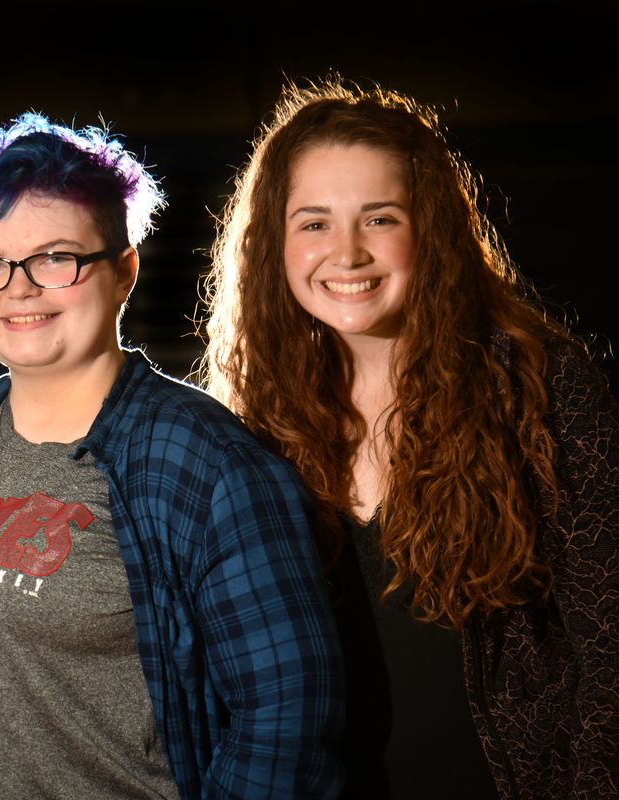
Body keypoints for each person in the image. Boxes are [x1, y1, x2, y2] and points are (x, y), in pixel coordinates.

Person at [0, 112, 343, 798]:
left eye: (55, 258)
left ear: (123, 272)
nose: (18, 289)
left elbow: (287, 718)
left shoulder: (206, 462)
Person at [201, 78, 619, 799]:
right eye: (314, 223)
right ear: (274, 241)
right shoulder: (253, 421)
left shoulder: (538, 384)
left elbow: (609, 636)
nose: (348, 252)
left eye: (380, 217)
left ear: (431, 227)